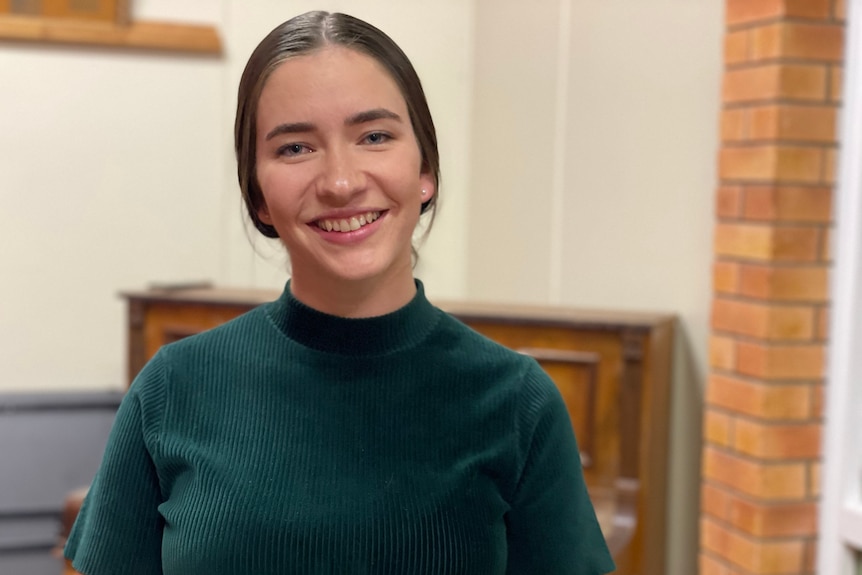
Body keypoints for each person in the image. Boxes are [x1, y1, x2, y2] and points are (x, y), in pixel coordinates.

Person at [65, 11, 614, 575]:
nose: (341, 182)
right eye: (296, 148)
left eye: (374, 136)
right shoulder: (174, 386)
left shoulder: (516, 403)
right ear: (258, 196)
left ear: (425, 169)